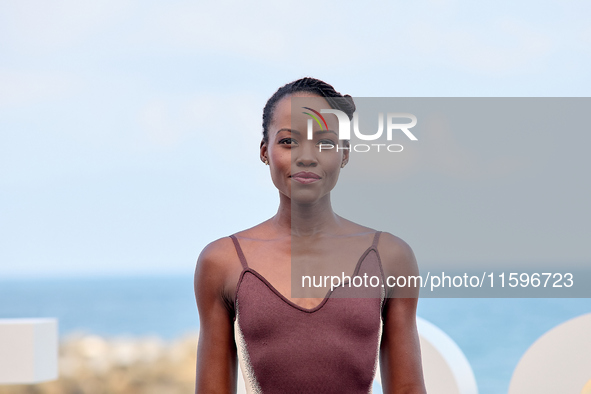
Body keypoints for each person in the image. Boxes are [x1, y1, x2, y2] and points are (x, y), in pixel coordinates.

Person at [194, 77, 426, 393]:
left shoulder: (390, 257)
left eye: (326, 142)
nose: (306, 156)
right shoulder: (222, 261)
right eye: (288, 141)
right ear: (265, 152)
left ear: (344, 154)